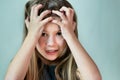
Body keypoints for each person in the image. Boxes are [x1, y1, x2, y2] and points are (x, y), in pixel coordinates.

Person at [5, 0, 102, 80]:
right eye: (43, 34)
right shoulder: (22, 65)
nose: (51, 43)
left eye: (59, 33)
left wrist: (70, 35)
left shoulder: (77, 66)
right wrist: (31, 36)